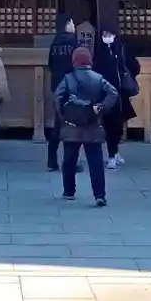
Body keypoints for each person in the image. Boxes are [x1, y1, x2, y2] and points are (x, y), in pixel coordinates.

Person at [55, 46, 119, 207]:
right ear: (89, 61)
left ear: (74, 61)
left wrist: (64, 115)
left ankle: (69, 191)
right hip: (93, 124)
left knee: (69, 160)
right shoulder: (98, 78)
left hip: (72, 125)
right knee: (95, 162)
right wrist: (101, 107)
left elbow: (57, 98)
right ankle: (99, 195)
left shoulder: (67, 79)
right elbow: (113, 93)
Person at [93, 27, 141, 168]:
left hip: (120, 94)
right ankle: (111, 155)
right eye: (104, 34)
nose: (107, 36)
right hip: (106, 95)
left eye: (109, 34)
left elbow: (134, 66)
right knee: (110, 125)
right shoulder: (99, 52)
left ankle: (115, 152)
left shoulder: (121, 50)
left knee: (119, 126)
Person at [46, 14, 78, 172]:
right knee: (71, 125)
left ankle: (52, 159)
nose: (74, 26)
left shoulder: (54, 44)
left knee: (58, 123)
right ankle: (69, 162)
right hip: (72, 87)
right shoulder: (73, 43)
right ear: (67, 25)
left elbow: (50, 65)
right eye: (72, 23)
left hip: (57, 86)